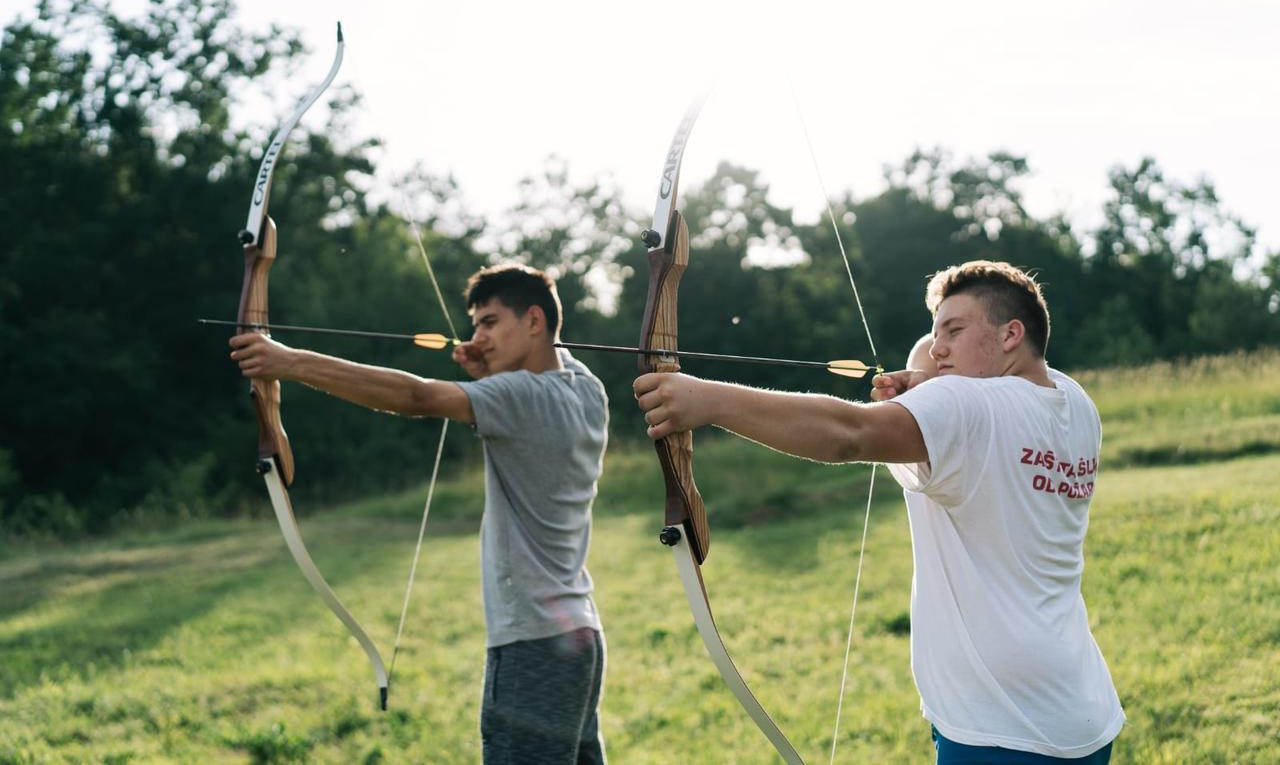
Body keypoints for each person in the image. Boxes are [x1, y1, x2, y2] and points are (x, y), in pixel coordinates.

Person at [633, 260, 1123, 763]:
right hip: (1081, 710)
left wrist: (704, 401)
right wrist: (929, 385)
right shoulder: (1073, 400)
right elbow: (954, 388)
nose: (937, 348)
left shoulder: (966, 406)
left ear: (1010, 335)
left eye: (954, 330)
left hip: (1000, 726)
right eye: (936, 335)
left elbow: (851, 434)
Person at [230, 264, 609, 764]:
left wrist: (288, 362)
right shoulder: (587, 389)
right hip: (578, 639)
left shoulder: (521, 396)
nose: (478, 337)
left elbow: (417, 396)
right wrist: (496, 364)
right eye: (476, 325)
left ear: (534, 321)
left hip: (533, 640)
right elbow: (550, 367)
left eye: (490, 322)